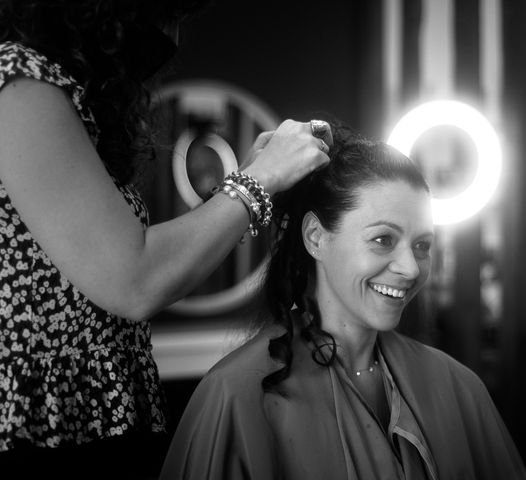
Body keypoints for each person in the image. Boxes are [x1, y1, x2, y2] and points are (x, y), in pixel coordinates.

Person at [0, 1, 333, 478]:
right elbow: (135, 279)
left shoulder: (58, 90)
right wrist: (261, 179)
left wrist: (250, 183)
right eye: (164, 14)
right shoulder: (18, 81)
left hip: (105, 405)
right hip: (41, 422)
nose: (171, 38)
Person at [159, 123, 526, 479]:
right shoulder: (235, 397)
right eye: (383, 240)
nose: (411, 269)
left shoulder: (459, 388)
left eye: (422, 246)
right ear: (316, 237)